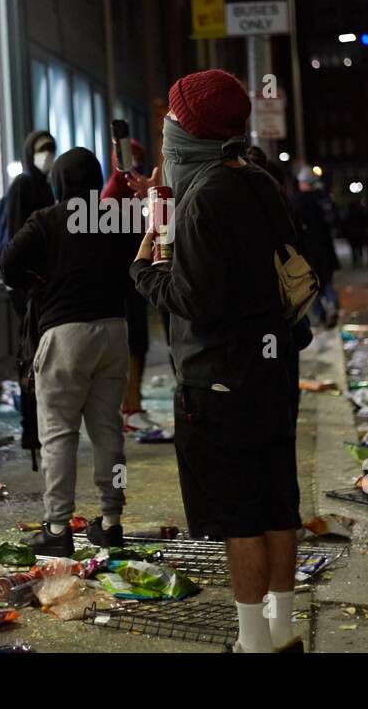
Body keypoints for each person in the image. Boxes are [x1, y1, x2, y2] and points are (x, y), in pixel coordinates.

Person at [131, 69, 303, 654]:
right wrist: (163, 211)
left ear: (192, 129)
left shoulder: (205, 198)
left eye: (173, 118)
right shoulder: (255, 181)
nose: (166, 127)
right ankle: (283, 630)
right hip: (273, 371)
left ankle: (252, 641)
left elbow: (195, 299)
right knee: (277, 502)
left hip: (219, 382)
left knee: (239, 517)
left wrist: (145, 267)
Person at [0, 147, 134, 554]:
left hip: (66, 335)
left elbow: (7, 264)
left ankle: (57, 530)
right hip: (114, 332)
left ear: (59, 182)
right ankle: (111, 521)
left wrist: (40, 274)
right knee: (109, 430)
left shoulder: (47, 219)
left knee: (59, 435)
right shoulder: (115, 216)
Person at [0, 130, 56, 458]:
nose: (46, 154)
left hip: (38, 284)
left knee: (39, 355)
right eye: (41, 149)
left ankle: (37, 429)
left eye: (51, 149)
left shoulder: (44, 184)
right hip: (26, 286)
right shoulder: (25, 184)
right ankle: (31, 430)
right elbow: (20, 234)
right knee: (34, 355)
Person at [102, 137, 154, 429]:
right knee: (130, 345)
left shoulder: (136, 191)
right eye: (127, 157)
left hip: (136, 281)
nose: (133, 163)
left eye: (136, 156)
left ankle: (134, 404)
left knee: (139, 343)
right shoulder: (113, 193)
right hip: (124, 283)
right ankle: (129, 407)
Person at [292, 167, 340, 327]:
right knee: (326, 282)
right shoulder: (323, 198)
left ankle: (320, 316)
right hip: (325, 249)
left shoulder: (296, 202)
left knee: (311, 288)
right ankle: (332, 303)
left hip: (307, 252)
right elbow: (333, 221)